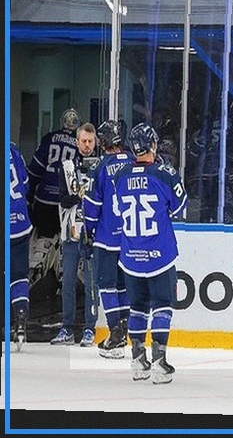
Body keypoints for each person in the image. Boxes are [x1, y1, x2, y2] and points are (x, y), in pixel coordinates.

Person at [97, 124, 186, 383]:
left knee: (137, 307)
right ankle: (159, 361)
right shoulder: (164, 174)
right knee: (162, 305)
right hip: (159, 255)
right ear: (153, 145)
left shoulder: (120, 175)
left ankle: (137, 360)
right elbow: (179, 207)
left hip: (131, 257)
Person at [82, 119, 134, 358]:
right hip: (130, 239)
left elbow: (92, 206)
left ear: (103, 142)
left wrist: (88, 232)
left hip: (107, 239)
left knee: (106, 285)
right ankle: (123, 332)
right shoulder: (133, 162)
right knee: (123, 286)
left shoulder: (100, 167)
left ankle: (115, 333)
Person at [51, 122, 100, 347]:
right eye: (83, 141)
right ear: (77, 142)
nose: (87, 145)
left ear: (95, 142)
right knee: (68, 282)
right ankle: (67, 328)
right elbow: (63, 199)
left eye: (90, 141)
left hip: (92, 234)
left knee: (91, 284)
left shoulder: (100, 167)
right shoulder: (67, 166)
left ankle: (90, 328)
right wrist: (78, 196)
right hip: (70, 233)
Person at [28, 107, 81, 284]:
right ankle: (63, 273)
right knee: (65, 238)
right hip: (65, 200)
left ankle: (37, 265)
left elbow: (35, 170)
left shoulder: (49, 138)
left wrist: (29, 193)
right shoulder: (80, 142)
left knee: (43, 236)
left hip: (44, 198)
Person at [9, 143, 33, 350]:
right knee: (19, 275)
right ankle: (21, 320)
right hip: (19, 222)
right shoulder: (14, 150)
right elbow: (25, 183)